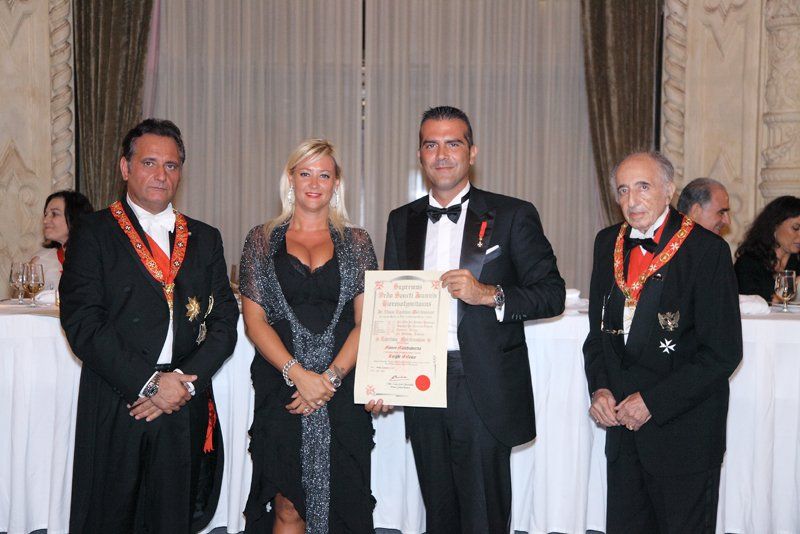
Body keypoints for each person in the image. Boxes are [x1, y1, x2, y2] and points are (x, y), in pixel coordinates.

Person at [370, 106, 565, 533]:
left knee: (483, 515)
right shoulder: (401, 220)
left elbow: (552, 294)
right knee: (438, 513)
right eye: (431, 145)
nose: (442, 154)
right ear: (419, 155)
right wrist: (385, 378)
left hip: (481, 381)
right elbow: (393, 309)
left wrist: (488, 294)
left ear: (472, 152)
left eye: (453, 143)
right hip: (421, 383)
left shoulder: (512, 214)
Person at [59, 118, 239, 533]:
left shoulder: (205, 237)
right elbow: (83, 321)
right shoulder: (93, 231)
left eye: (171, 165)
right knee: (109, 518)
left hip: (182, 399)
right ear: (125, 167)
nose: (161, 174)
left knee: (172, 518)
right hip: (119, 395)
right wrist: (149, 383)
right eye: (149, 163)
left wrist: (182, 384)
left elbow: (225, 323)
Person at [583, 151, 742, 533]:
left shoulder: (707, 250)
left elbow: (723, 352)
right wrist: (600, 388)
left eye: (643, 187)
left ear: (669, 190)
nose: (632, 200)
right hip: (623, 434)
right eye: (623, 190)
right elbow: (597, 336)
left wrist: (653, 402)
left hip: (684, 435)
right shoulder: (607, 242)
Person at [240, 139, 377, 533]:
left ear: (336, 183)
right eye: (305, 173)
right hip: (280, 385)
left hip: (343, 384)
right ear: (291, 179)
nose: (314, 183)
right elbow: (255, 322)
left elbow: (365, 321)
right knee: (286, 504)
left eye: (324, 175)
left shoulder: (358, 242)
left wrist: (329, 380)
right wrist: (298, 374)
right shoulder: (261, 239)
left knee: (345, 500)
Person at [734, 195, 800, 302]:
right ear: (775, 225)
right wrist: (789, 290)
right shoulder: (748, 263)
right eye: (795, 228)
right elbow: (748, 303)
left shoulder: (796, 261)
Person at [29, 190, 94, 289]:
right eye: (46, 214)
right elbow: (25, 297)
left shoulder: (98, 258)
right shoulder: (41, 261)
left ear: (74, 217)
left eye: (54, 214)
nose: (45, 220)